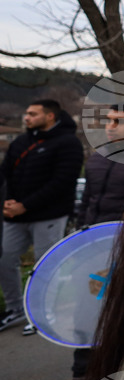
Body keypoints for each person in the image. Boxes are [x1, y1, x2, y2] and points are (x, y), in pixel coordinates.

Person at [27, 105, 124, 380]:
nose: (108, 127)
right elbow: (87, 207)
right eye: (107, 121)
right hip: (91, 258)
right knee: (85, 321)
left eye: (117, 122)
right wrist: (78, 248)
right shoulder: (96, 158)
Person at [0, 99, 83, 334]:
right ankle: (15, 309)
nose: (26, 117)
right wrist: (6, 202)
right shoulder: (21, 141)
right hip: (14, 216)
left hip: (49, 215)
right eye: (26, 113)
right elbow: (5, 173)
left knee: (45, 265)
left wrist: (25, 205)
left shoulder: (68, 143)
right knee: (5, 259)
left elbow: (62, 182)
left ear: (50, 117)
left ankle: (43, 311)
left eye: (32, 114)